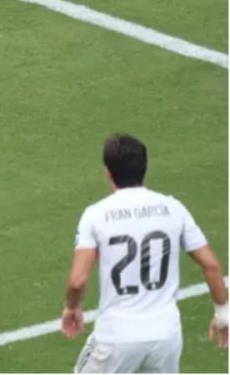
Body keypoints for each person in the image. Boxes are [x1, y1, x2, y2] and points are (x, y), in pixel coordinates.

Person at [61, 133, 228, 372]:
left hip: (116, 337)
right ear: (144, 168)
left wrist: (72, 307)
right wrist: (223, 312)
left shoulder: (96, 215)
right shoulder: (173, 209)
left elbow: (77, 281)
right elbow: (211, 265)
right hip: (166, 337)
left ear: (108, 171)